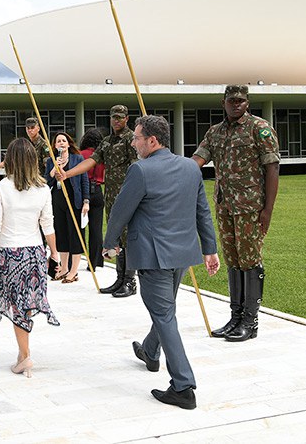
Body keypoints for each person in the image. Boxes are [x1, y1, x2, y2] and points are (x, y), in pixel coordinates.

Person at [103, 115, 219, 410]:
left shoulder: (140, 170)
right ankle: (150, 352)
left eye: (137, 138)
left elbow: (120, 211)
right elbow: (202, 212)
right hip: (182, 253)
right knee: (165, 309)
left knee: (165, 315)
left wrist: (109, 243)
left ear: (152, 141)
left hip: (154, 256)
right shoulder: (190, 168)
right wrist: (210, 249)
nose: (133, 142)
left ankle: (183, 386)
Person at [193, 85, 280, 342]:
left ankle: (250, 322)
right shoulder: (215, 133)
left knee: (250, 260)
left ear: (247, 102)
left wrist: (267, 211)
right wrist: (174, 169)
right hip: (225, 207)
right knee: (233, 260)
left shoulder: (259, 128)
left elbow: (272, 169)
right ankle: (236, 317)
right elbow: (198, 159)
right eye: (232, 101)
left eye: (241, 101)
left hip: (250, 209)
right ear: (224, 102)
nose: (236, 105)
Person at [0, 138, 60, 378]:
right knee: (25, 304)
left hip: (10, 254)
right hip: (34, 253)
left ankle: (25, 356)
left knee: (17, 306)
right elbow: (48, 225)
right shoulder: (43, 189)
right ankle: (22, 354)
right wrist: (54, 253)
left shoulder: (2, 188)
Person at [58, 104, 138, 297]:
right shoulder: (107, 142)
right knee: (117, 236)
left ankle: (130, 281)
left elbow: (137, 166)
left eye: (120, 117)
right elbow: (91, 161)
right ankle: (120, 279)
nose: (117, 120)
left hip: (127, 195)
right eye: (114, 117)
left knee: (128, 238)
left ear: (127, 118)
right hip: (111, 197)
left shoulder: (131, 139)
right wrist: (67, 174)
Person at [44, 132, 89, 283]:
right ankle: (64, 268)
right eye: (58, 141)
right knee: (61, 234)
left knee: (75, 235)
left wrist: (86, 201)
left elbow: (84, 181)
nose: (61, 143)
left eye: (64, 140)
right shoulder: (51, 161)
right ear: (55, 146)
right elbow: (46, 183)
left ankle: (74, 271)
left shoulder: (78, 159)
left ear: (68, 144)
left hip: (74, 200)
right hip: (58, 200)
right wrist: (52, 172)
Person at [79, 128, 106, 273]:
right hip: (98, 191)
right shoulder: (101, 156)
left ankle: (76, 257)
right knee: (96, 230)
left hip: (84, 190)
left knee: (80, 226)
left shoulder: (81, 155)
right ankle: (95, 262)